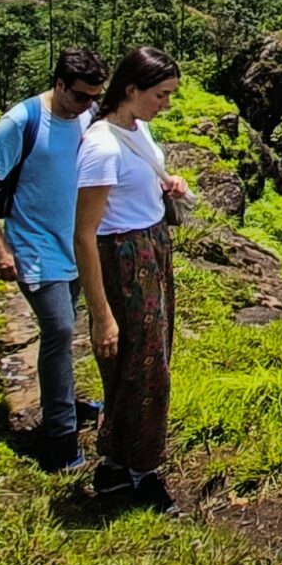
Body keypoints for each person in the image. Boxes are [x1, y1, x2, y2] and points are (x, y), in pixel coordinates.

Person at [0, 48, 109, 473]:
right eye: (81, 96)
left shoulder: (89, 115)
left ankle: (64, 400)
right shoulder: (22, 121)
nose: (88, 104)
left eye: (94, 97)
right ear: (60, 84)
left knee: (68, 326)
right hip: (35, 246)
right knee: (59, 329)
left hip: (77, 244)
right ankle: (61, 437)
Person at [72, 45, 195, 512]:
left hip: (149, 248)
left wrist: (168, 184)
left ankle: (117, 466)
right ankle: (141, 471)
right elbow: (84, 236)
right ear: (131, 90)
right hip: (123, 260)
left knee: (149, 361)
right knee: (143, 370)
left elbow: (136, 188)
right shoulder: (101, 147)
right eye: (161, 95)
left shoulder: (136, 130)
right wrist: (101, 314)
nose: (166, 104)